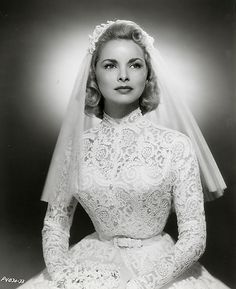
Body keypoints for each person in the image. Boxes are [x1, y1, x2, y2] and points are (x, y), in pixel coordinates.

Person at [18, 19, 230, 289]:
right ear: (94, 75)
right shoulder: (75, 148)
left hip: (157, 270)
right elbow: (56, 225)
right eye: (110, 65)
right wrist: (65, 277)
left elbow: (194, 235)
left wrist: (144, 284)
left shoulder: (175, 146)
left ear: (147, 74)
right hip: (91, 265)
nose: (123, 76)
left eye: (135, 64)